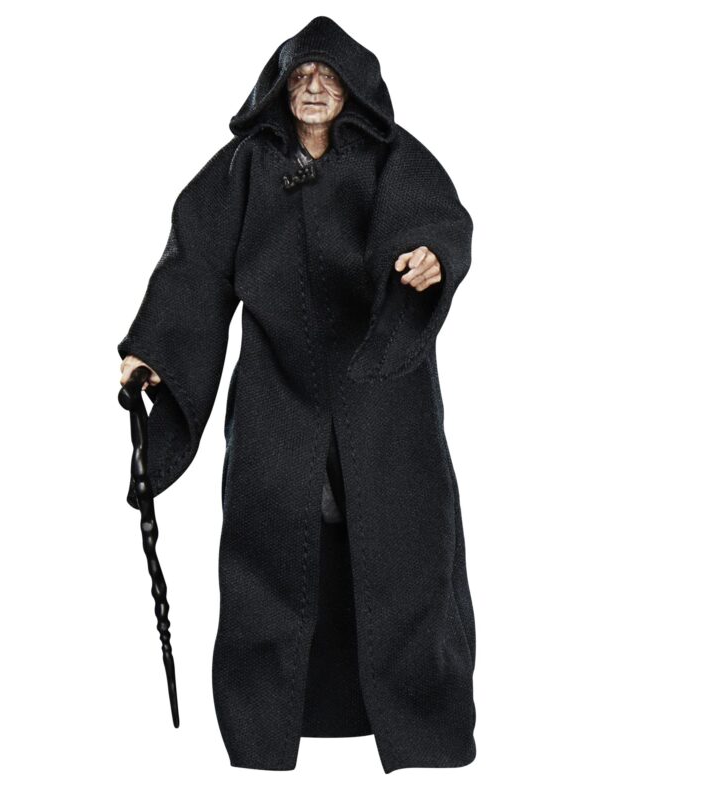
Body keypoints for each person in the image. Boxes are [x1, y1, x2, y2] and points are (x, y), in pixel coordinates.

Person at [118, 16, 475, 773]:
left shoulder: (392, 158)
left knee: (405, 551)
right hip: (278, 390)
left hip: (383, 390)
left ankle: (414, 724)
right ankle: (268, 723)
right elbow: (195, 262)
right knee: (270, 550)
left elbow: (434, 219)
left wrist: (428, 258)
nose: (313, 87)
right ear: (279, 88)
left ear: (354, 89)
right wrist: (155, 349)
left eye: (328, 76)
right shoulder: (246, 167)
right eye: (301, 75)